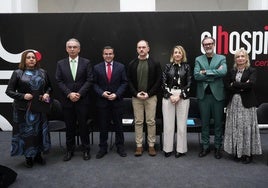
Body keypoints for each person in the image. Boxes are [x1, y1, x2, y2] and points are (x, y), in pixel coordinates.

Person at [5, 50, 51, 168]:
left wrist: (47, 93)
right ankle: (28, 156)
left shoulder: (43, 72)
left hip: (40, 108)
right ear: (24, 60)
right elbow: (9, 91)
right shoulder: (18, 73)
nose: (31, 59)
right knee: (27, 134)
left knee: (39, 132)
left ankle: (38, 155)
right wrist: (23, 96)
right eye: (29, 57)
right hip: (23, 110)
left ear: (36, 60)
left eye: (33, 58)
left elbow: (49, 87)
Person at [55, 38, 92, 161]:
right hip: (67, 101)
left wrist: (79, 94)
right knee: (69, 127)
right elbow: (59, 81)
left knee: (83, 126)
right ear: (66, 49)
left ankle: (86, 149)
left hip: (82, 101)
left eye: (74, 47)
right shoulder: (60, 63)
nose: (72, 49)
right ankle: (69, 150)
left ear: (79, 49)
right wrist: (70, 94)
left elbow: (89, 80)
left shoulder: (86, 63)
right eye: (70, 47)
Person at [224, 48, 262, 164]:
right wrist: (241, 86)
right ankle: (237, 152)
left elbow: (250, 85)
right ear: (235, 59)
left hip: (247, 104)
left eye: (242, 56)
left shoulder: (252, 70)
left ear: (246, 58)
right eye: (238, 56)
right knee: (235, 128)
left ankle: (247, 154)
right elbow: (227, 85)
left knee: (246, 128)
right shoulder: (232, 71)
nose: (240, 58)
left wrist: (235, 84)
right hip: (234, 103)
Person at [194, 36, 227, 159]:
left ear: (214, 44)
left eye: (210, 43)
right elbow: (197, 76)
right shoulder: (198, 59)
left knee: (218, 123)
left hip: (217, 96)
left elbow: (223, 72)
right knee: (205, 124)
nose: (208, 46)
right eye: (205, 44)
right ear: (203, 46)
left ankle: (218, 147)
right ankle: (205, 147)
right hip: (204, 97)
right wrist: (214, 72)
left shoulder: (221, 58)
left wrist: (205, 72)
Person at [127, 40, 162, 157]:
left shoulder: (155, 63)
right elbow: (129, 81)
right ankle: (139, 146)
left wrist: (149, 93)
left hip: (150, 97)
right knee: (138, 122)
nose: (141, 49)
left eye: (143, 47)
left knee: (151, 122)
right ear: (137, 49)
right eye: (139, 47)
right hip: (136, 98)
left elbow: (158, 81)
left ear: (148, 49)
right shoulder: (132, 64)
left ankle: (151, 145)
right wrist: (136, 94)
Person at [93, 46, 128, 159]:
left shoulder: (121, 67)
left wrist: (116, 94)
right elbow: (94, 84)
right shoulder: (97, 68)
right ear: (103, 55)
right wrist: (102, 93)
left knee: (119, 126)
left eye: (110, 54)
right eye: (106, 54)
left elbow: (124, 83)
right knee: (103, 126)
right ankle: (103, 148)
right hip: (102, 102)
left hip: (117, 101)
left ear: (113, 55)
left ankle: (120, 147)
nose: (108, 56)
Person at [162, 45, 191, 158]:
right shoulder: (168, 67)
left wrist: (179, 95)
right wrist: (170, 95)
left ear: (182, 55)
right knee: (168, 125)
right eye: (175, 52)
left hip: (182, 97)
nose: (177, 54)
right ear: (172, 55)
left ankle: (180, 149)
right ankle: (167, 149)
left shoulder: (187, 67)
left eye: (179, 52)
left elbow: (189, 83)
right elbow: (163, 83)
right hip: (168, 97)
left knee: (181, 125)